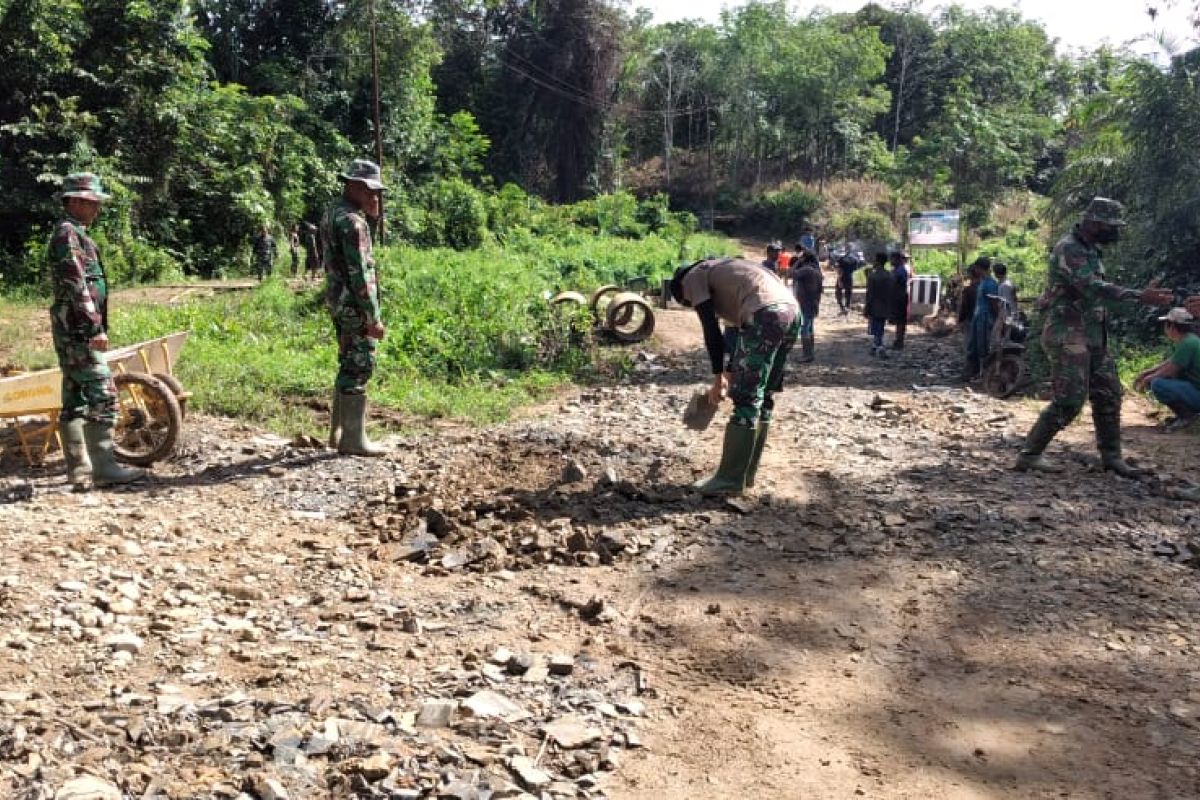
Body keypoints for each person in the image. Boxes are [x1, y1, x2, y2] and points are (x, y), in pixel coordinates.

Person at [1015, 197, 1175, 474]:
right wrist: (1140, 296)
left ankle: (1112, 458)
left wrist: (1138, 297)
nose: (1116, 232)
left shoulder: (1090, 250)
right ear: (1096, 223)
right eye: (1112, 226)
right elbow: (1093, 287)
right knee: (1069, 400)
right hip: (1068, 334)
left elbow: (1101, 296)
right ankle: (1030, 454)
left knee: (1108, 393)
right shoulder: (1070, 249)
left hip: (1092, 335)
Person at [670, 257, 799, 496]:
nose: (694, 305)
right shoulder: (729, 272)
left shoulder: (693, 277)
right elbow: (737, 338)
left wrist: (718, 378)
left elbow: (711, 329)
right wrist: (729, 371)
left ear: (681, 290)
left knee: (745, 397)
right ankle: (746, 474)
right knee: (764, 392)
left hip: (766, 314)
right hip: (790, 313)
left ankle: (729, 479)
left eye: (689, 303)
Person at [48, 173, 144, 489]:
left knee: (75, 397)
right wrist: (94, 328)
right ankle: (104, 468)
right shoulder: (67, 235)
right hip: (77, 330)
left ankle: (79, 469)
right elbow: (77, 284)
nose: (96, 209)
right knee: (104, 394)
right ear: (74, 201)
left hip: (71, 328)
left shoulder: (75, 233)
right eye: (91, 203)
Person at [322, 159, 388, 457]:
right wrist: (372, 316)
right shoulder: (353, 222)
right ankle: (353, 439)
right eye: (369, 190)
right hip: (354, 303)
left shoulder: (333, 213)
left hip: (337, 299)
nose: (374, 196)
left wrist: (370, 218)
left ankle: (337, 433)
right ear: (354, 186)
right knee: (360, 363)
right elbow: (361, 271)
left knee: (347, 358)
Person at [1134, 307, 1200, 431]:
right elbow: (1172, 361)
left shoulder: (1188, 343)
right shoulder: (1189, 340)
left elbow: (1171, 370)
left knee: (1158, 384)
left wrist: (1148, 379)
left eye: (1166, 325)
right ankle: (1184, 414)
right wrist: (1147, 372)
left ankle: (1186, 416)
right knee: (1158, 379)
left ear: (1172, 327)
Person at [964, 258, 1000, 381]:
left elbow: (994, 303)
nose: (974, 270)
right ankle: (972, 372)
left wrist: (997, 318)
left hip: (985, 318)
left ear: (980, 268)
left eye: (976, 268)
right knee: (973, 345)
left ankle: (985, 374)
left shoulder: (991, 284)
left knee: (984, 345)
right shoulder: (983, 282)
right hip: (978, 317)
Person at [791, 247, 823, 362]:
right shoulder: (817, 271)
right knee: (809, 327)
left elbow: (792, 273)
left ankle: (807, 354)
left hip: (806, 304)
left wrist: (797, 262)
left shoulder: (806, 270)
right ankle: (810, 352)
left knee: (805, 328)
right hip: (813, 302)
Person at [865, 253, 893, 357]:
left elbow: (870, 293)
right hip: (886, 304)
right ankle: (877, 345)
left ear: (877, 261)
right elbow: (891, 292)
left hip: (874, 304)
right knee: (881, 325)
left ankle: (878, 346)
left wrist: (867, 307)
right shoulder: (889, 275)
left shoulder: (873, 276)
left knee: (876, 325)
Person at [889, 249, 912, 350]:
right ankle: (898, 340)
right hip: (898, 297)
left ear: (897, 259)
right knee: (899, 320)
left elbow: (894, 283)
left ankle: (899, 341)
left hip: (900, 298)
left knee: (900, 321)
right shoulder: (897, 270)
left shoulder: (900, 271)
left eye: (892, 259)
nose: (891, 261)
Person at [835, 247, 861, 315]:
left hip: (842, 276)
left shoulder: (841, 259)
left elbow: (839, 270)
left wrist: (839, 280)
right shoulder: (855, 260)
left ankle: (842, 307)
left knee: (838, 292)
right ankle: (847, 307)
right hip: (850, 277)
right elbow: (855, 269)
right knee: (848, 293)